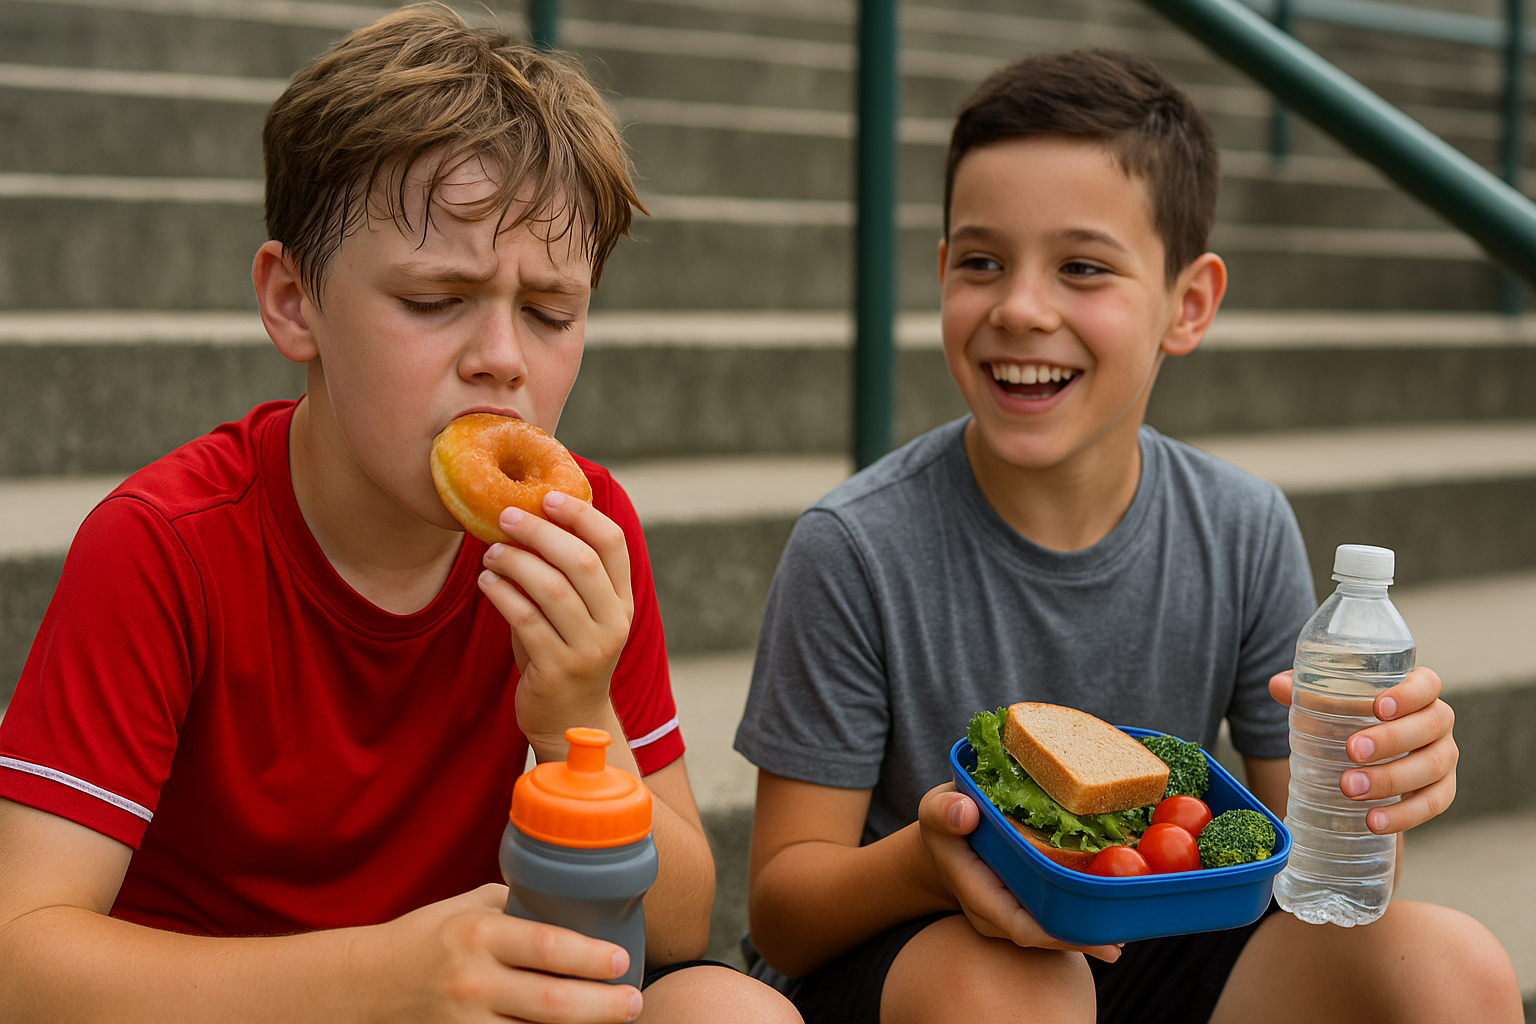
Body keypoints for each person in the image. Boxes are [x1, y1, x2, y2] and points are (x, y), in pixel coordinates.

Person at [0, 7, 799, 1022]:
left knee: (733, 1009)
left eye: (550, 311)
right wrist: (384, 977)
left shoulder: (581, 537)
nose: (502, 357)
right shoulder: (165, 547)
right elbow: (20, 959)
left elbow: (681, 922)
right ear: (295, 302)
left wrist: (578, 717)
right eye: (435, 300)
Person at [733, 48, 1522, 1024]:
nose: (1021, 306)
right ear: (941, 274)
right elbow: (783, 912)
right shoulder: (853, 546)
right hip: (921, 960)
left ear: (1187, 305)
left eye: (1083, 267)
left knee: (1456, 966)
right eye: (981, 262)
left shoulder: (1241, 526)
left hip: (1154, 947)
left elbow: (1320, 876)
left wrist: (1370, 794)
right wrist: (939, 861)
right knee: (1018, 986)